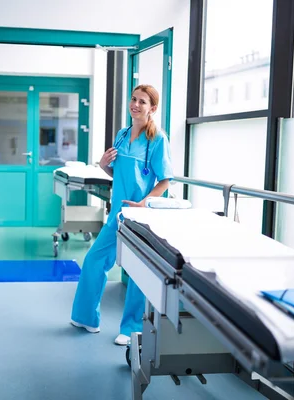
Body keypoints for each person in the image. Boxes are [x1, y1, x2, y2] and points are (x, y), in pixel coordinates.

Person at [70, 84, 173, 345]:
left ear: (153, 108)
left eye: (142, 102)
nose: (136, 105)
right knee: (94, 260)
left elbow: (165, 181)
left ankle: (131, 330)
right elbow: (118, 175)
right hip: (117, 214)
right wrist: (104, 165)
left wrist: (144, 203)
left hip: (141, 217)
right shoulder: (122, 134)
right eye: (134, 99)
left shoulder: (157, 139)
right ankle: (86, 318)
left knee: (138, 272)